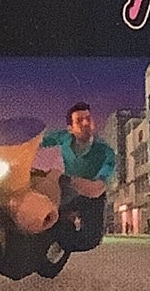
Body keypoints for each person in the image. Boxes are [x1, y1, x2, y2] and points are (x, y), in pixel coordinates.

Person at [39, 102, 118, 253]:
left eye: (88, 118)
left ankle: (62, 241)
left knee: (90, 240)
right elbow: (38, 141)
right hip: (66, 191)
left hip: (90, 197)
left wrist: (64, 178)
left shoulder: (105, 152)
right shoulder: (64, 137)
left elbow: (96, 189)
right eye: (79, 120)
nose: (85, 123)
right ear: (70, 128)